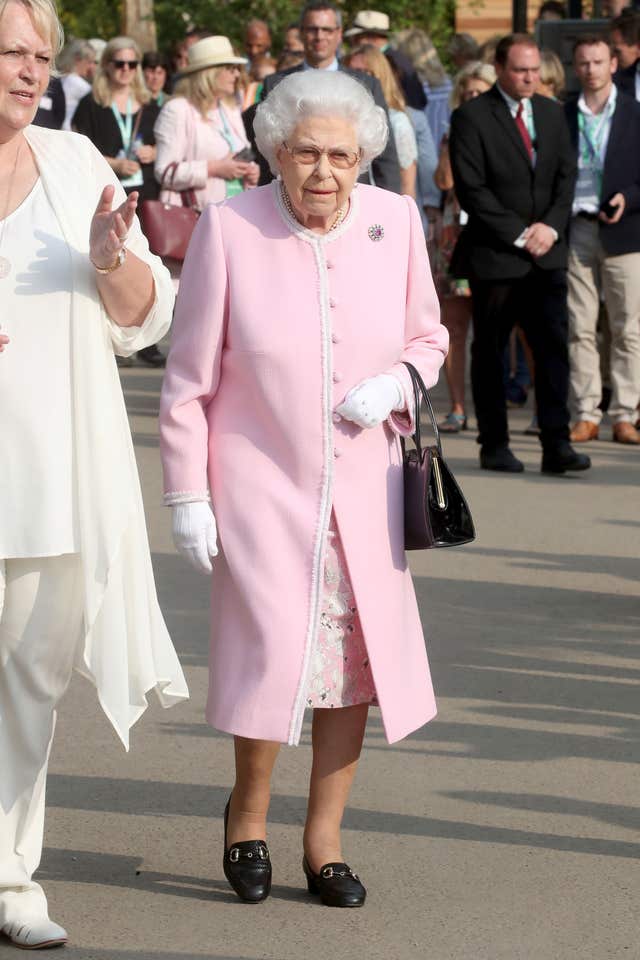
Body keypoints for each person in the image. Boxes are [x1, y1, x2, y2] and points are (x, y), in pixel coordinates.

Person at [159, 69, 448, 909]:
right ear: (275, 153)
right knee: (270, 656)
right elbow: (186, 381)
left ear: (364, 158)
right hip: (261, 488)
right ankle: (246, 817)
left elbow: (429, 337)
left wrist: (397, 381)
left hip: (364, 492)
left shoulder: (395, 223)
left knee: (353, 669)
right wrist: (187, 493)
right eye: (307, 154)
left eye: (343, 157)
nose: (325, 173)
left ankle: (324, 839)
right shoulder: (230, 228)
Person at [0, 0, 188, 949]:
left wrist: (111, 259)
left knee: (31, 679)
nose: (29, 71)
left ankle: (9, 877)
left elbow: (145, 311)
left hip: (51, 468)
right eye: (10, 53)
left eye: (40, 56)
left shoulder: (75, 163)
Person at [449, 33, 590, 475]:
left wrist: (549, 226)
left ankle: (557, 444)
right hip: (496, 256)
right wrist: (519, 234)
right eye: (520, 70)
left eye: (534, 70)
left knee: (552, 350)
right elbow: (472, 189)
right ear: (500, 68)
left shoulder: (552, 114)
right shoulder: (472, 117)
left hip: (546, 254)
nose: (530, 78)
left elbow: (566, 177)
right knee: (491, 352)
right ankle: (494, 445)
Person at [565, 35, 640, 444]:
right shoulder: (563, 114)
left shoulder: (634, 113)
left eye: (597, 61)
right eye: (583, 62)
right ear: (575, 67)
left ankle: (625, 414)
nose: (590, 69)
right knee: (581, 326)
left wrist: (628, 198)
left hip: (625, 230)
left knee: (628, 327)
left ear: (613, 64)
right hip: (577, 227)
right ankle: (586, 412)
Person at [73, 35, 165, 367]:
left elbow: (165, 148)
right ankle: (115, 337)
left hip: (145, 191)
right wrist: (113, 163)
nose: (126, 70)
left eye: (132, 64)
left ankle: (148, 342)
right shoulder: (91, 104)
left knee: (144, 260)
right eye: (119, 63)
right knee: (111, 256)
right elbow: (81, 150)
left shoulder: (151, 105)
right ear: (107, 66)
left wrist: (153, 152)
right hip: (107, 193)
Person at [258, 0, 401, 193]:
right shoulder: (275, 84)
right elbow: (268, 150)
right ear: (301, 32)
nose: (320, 36)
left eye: (327, 30)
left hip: (352, 195)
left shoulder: (366, 84)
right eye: (312, 29)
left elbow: (385, 154)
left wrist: (388, 205)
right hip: (293, 196)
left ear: (339, 34)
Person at [153, 35, 259, 284]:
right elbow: (165, 172)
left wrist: (250, 172)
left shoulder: (230, 110)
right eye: (230, 68)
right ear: (209, 74)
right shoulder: (177, 110)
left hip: (235, 218)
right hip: (197, 220)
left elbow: (242, 154)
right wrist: (214, 168)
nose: (237, 75)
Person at [433, 61, 496, 432]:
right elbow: (443, 181)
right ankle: (458, 406)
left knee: (508, 326)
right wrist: (456, 138)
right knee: (454, 328)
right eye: (467, 93)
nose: (472, 99)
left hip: (493, 235)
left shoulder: (505, 134)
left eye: (480, 93)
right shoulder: (453, 132)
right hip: (453, 238)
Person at [347, 44, 417, 198]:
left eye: (365, 72)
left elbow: (407, 182)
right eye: (352, 72)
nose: (358, 79)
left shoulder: (397, 121)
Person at [343, 10, 427, 109]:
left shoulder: (392, 62)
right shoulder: (398, 58)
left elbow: (412, 101)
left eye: (358, 37)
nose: (354, 41)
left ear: (371, 37)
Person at [57, 37, 97, 129]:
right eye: (90, 62)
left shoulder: (61, 79)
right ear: (78, 60)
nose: (92, 67)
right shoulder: (81, 86)